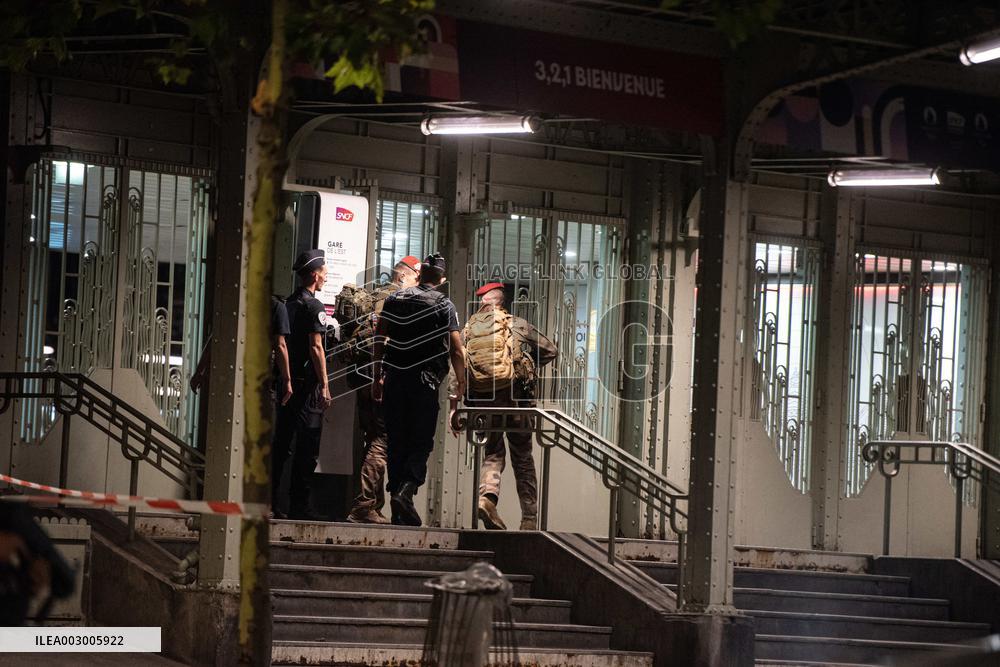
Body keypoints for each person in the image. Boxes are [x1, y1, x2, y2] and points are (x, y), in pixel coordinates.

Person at [372, 253, 465, 526]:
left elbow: (379, 337)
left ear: (420, 273)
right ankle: (406, 490)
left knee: (396, 440)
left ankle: (398, 504)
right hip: (424, 382)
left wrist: (376, 376)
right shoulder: (445, 305)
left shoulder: (394, 299)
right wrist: (461, 384)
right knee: (420, 441)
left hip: (394, 379)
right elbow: (456, 350)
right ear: (442, 280)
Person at [464, 282, 557, 531]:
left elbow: (460, 366)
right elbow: (551, 350)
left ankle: (487, 498)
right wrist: (526, 364)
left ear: (482, 302)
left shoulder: (469, 329)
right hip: (517, 404)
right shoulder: (517, 324)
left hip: (485, 404)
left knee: (493, 454)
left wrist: (457, 403)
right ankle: (529, 518)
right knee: (523, 457)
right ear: (502, 302)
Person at [341, 255, 422, 524]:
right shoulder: (399, 301)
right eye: (416, 277)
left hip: (362, 377)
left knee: (373, 437)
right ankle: (363, 505)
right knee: (383, 440)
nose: (418, 283)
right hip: (381, 379)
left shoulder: (374, 297)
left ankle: (373, 507)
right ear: (403, 275)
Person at [272, 249, 333, 520]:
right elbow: (316, 348)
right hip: (306, 387)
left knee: (282, 443)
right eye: (324, 273)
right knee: (307, 446)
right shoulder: (314, 306)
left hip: (286, 382)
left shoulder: (288, 303)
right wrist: (325, 385)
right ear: (314, 275)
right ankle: (300, 505)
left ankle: (272, 502)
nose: (326, 277)